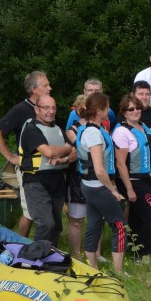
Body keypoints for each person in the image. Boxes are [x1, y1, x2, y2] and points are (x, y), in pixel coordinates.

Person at [0, 71, 51, 238]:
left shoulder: (47, 108)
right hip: (28, 169)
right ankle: (20, 242)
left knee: (43, 208)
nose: (50, 88)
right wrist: (11, 157)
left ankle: (44, 243)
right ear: (34, 89)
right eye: (45, 85)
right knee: (30, 211)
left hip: (46, 168)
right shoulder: (21, 110)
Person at [75, 92, 127, 275]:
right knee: (119, 225)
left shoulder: (89, 129)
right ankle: (119, 272)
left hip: (88, 186)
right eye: (107, 107)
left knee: (94, 224)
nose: (109, 110)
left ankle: (93, 269)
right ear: (99, 111)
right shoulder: (93, 134)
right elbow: (99, 169)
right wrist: (112, 190)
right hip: (97, 186)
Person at [18, 95, 75, 244]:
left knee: (56, 225)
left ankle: (51, 255)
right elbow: (48, 152)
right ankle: (36, 257)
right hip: (36, 182)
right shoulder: (31, 129)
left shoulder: (57, 129)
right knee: (46, 224)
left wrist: (64, 157)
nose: (51, 111)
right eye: (46, 108)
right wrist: (66, 148)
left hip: (56, 181)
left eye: (53, 108)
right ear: (37, 109)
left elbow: (74, 151)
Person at [113, 94, 151, 265]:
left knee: (137, 217)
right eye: (131, 109)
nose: (135, 111)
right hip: (133, 181)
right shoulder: (121, 131)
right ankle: (143, 255)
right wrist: (129, 189)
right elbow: (120, 163)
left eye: (138, 108)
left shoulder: (143, 127)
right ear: (124, 112)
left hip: (148, 179)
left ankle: (134, 248)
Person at [64, 95, 89, 258]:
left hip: (96, 177)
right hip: (77, 178)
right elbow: (79, 150)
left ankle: (95, 253)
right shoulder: (72, 130)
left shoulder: (100, 128)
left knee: (96, 219)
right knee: (76, 220)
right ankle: (76, 254)